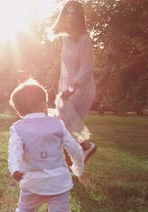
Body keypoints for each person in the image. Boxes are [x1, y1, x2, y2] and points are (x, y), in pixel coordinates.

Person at [7, 79, 85, 212]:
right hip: (59, 182)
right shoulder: (56, 124)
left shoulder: (18, 127)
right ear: (44, 105)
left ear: (19, 111)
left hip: (32, 182)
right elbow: (74, 148)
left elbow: (14, 151)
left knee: (24, 211)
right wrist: (78, 168)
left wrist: (15, 170)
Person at [52, 0, 97, 162]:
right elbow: (66, 70)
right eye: (67, 12)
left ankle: (84, 148)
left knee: (63, 125)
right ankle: (76, 157)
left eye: (74, 13)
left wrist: (71, 90)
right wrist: (62, 90)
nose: (70, 16)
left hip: (81, 89)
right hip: (67, 89)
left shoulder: (85, 39)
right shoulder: (66, 39)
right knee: (61, 126)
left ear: (80, 17)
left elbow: (87, 69)